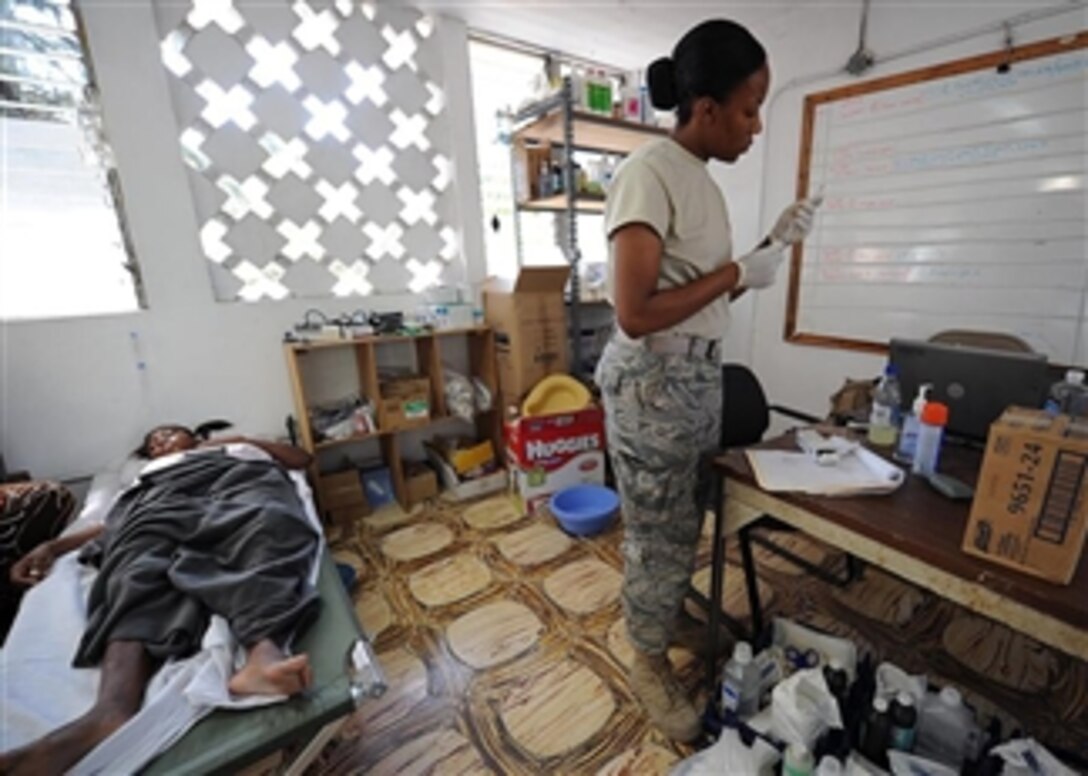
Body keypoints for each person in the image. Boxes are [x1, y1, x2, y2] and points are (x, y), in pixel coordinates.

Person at [595, 20, 819, 741]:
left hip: (693, 380)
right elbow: (635, 312)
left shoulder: (699, 184)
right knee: (657, 534)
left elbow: (703, 292)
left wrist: (766, 250)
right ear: (705, 106)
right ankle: (646, 655)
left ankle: (669, 613)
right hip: (654, 379)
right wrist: (733, 272)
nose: (757, 126)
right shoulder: (648, 172)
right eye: (750, 108)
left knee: (681, 522)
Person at [1, 424, 320, 775]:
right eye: (152, 443)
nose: (159, 442)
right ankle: (110, 711)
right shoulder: (146, 475)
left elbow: (301, 459)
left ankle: (263, 656)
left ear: (194, 436)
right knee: (134, 561)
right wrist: (52, 547)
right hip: (160, 502)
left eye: (167, 434)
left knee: (267, 522)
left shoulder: (239, 449)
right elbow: (112, 525)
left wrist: (240, 443)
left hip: (240, 482)